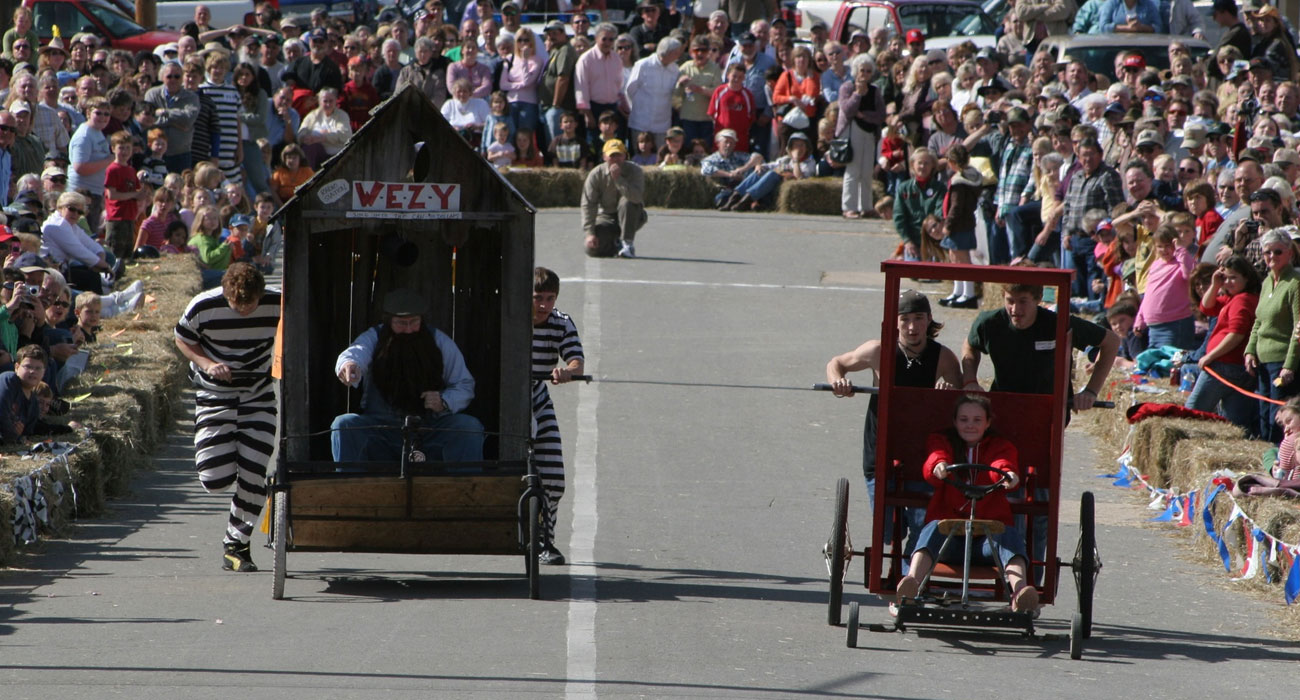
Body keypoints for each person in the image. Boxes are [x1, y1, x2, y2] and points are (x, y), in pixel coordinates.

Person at [826, 289, 962, 569]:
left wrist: (948, 390)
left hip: (922, 455)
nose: (912, 327)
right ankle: (904, 577)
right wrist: (839, 381)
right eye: (905, 319)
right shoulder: (878, 350)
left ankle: (906, 581)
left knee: (922, 524)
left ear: (929, 320)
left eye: (919, 318)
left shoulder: (943, 358)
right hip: (882, 450)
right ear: (895, 322)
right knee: (889, 530)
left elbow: (962, 399)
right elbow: (836, 363)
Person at [173, 263, 280, 572]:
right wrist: (206, 363)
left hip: (257, 394)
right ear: (226, 294)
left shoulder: (277, 302)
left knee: (254, 471)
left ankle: (237, 545)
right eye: (238, 305)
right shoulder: (203, 306)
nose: (245, 310)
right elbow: (182, 338)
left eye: (251, 304)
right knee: (214, 479)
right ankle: (224, 460)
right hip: (214, 395)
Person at [895, 393, 1039, 614]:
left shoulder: (1000, 446)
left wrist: (1007, 474)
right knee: (933, 528)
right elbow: (935, 457)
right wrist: (939, 465)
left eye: (977, 420)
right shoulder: (942, 441)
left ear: (988, 422)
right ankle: (911, 584)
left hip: (986, 543)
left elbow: (1002, 463)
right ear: (954, 421)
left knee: (1008, 535)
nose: (970, 425)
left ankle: (1020, 593)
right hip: (949, 540)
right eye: (963, 419)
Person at [331, 288, 485, 464]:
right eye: (401, 323)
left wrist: (444, 401)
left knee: (469, 427)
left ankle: (468, 489)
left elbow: (464, 384)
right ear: (388, 320)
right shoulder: (373, 337)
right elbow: (355, 353)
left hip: (428, 431)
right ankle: (350, 489)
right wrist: (349, 365)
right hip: (381, 432)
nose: (409, 329)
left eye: (414, 322)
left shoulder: (440, 342)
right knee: (343, 425)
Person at [531, 267, 585, 566]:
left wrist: (568, 371)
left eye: (550, 298)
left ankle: (545, 540)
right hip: (504, 403)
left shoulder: (560, 323)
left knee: (553, 476)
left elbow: (576, 358)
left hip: (538, 399)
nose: (543, 305)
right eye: (538, 297)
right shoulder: (509, 316)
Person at [1186, 255, 1260, 436]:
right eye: (1225, 277)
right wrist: (1215, 284)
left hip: (1223, 366)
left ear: (1246, 278)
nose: (1228, 282)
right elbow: (1206, 306)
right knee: (1235, 424)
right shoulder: (1233, 298)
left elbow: (1236, 334)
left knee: (1191, 413)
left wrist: (1210, 356)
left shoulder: (1242, 300)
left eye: (1233, 277)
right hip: (1234, 367)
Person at [1244, 230, 1300, 443]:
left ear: (1289, 253)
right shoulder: (1267, 281)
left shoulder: (1295, 282)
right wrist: (1250, 350)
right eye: (1267, 252)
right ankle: (1267, 455)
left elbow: (1298, 327)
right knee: (1263, 411)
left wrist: (1290, 365)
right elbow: (1259, 320)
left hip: (1281, 360)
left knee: (1278, 415)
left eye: (1278, 252)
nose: (1272, 257)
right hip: (1262, 359)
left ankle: (1281, 459)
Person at [581, 139, 646, 258]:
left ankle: (627, 243)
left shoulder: (635, 171)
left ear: (625, 156)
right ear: (604, 156)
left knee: (627, 201)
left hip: (633, 215)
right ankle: (615, 245)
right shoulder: (596, 174)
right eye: (612, 155)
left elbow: (636, 198)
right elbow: (588, 204)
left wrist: (618, 179)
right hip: (606, 217)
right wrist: (590, 233)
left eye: (619, 155)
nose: (616, 159)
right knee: (592, 250)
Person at [837, 54, 883, 219]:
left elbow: (880, 114)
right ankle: (848, 207)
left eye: (868, 71)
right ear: (856, 71)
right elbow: (847, 110)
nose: (865, 74)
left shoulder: (875, 91)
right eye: (862, 70)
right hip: (852, 131)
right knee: (853, 170)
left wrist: (865, 116)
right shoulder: (847, 87)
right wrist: (857, 94)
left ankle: (866, 206)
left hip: (869, 132)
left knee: (866, 171)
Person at [0, 344, 45, 442]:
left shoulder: (33, 404)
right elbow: (1, 413)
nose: (33, 371)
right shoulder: (9, 380)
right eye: (28, 366)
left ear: (43, 372)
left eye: (38, 368)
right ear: (16, 367)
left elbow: (29, 431)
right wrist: (14, 436)